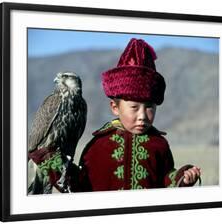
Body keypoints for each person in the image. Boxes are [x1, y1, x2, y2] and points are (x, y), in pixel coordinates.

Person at [72, 38, 201, 192]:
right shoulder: (97, 146)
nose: (142, 116)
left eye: (149, 107)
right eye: (134, 107)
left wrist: (182, 177)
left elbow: (166, 180)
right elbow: (81, 185)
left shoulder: (159, 145)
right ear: (115, 107)